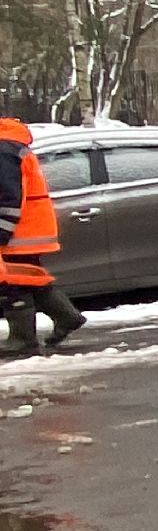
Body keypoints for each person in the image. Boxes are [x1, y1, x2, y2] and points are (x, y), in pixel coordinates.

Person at [0, 118, 85, 356]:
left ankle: (22, 339)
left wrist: (3, 230)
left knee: (12, 283)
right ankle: (67, 316)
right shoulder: (11, 145)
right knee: (29, 278)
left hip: (21, 230)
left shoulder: (4, 149)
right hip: (30, 226)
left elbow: (9, 195)